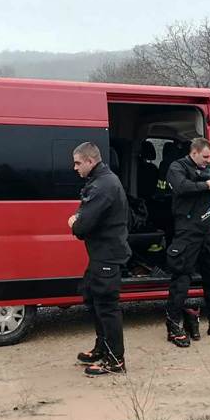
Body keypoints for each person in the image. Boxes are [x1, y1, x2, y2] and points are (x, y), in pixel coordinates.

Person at [164, 137, 210, 347]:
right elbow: (180, 187)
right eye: (205, 157)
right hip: (187, 229)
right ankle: (173, 326)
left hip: (208, 228)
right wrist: (204, 185)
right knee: (182, 277)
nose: (208, 161)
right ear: (194, 152)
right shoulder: (177, 167)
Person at [69, 142, 130, 376]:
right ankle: (102, 348)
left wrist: (75, 223)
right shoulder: (100, 181)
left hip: (108, 255)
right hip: (100, 254)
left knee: (107, 307)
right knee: (93, 300)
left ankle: (115, 361)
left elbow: (82, 225)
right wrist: (80, 219)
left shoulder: (104, 185)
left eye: (77, 163)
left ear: (90, 161)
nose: (74, 168)